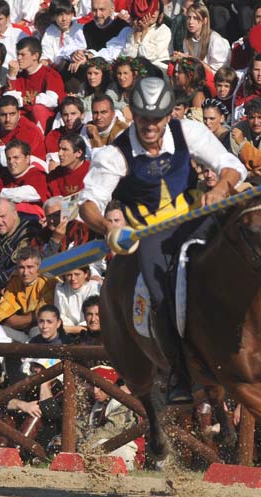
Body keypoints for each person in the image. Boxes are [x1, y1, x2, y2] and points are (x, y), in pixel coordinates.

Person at [78, 76, 247, 402]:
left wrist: (221, 187)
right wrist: (107, 228)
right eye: (143, 117)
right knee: (160, 292)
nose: (150, 126)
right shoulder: (115, 154)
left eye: (157, 118)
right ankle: (178, 374)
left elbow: (231, 165)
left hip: (197, 223)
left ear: (169, 115)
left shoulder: (190, 132)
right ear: (133, 114)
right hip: (150, 236)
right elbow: (88, 204)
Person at [0, 247, 58, 342]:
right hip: (20, 331)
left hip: (39, 327)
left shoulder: (47, 282)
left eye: (30, 267)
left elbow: (41, 316)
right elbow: (5, 316)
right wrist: (29, 318)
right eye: (21, 267)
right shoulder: (15, 280)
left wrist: (20, 320)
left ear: (38, 266)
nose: (25, 272)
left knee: (40, 331)